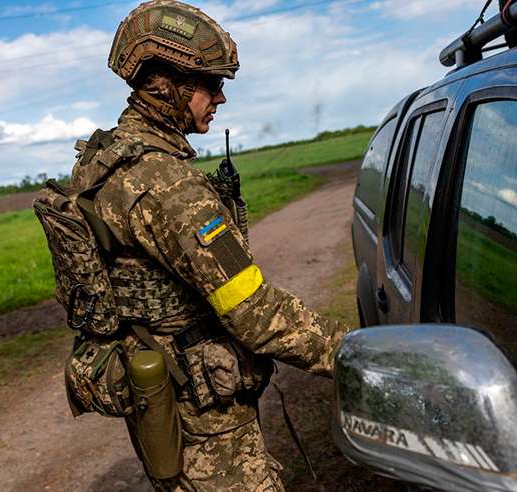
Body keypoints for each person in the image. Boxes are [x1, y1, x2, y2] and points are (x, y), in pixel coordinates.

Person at [70, 1, 351, 490]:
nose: (220, 97)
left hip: (159, 392)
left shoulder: (103, 162)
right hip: (203, 414)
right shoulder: (167, 185)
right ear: (169, 84)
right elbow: (256, 314)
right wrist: (353, 353)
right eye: (211, 83)